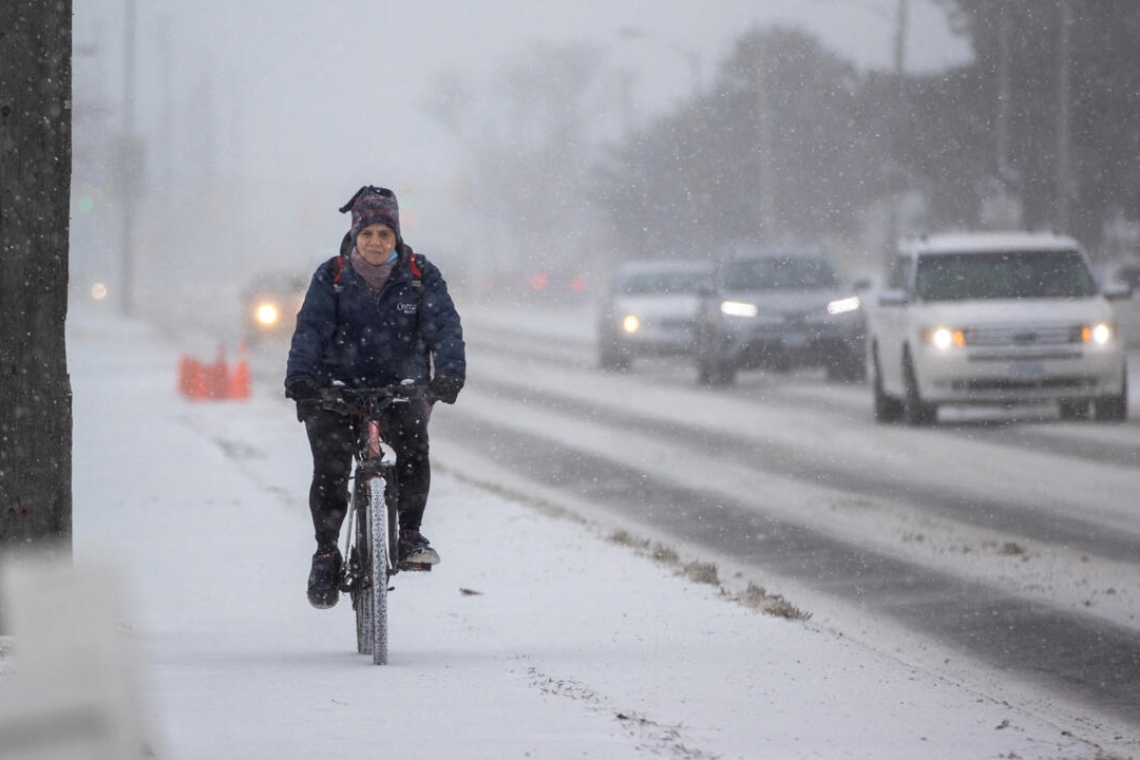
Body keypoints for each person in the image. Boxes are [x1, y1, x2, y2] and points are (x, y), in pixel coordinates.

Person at [285, 185, 465, 609]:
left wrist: (450, 373)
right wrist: (302, 380)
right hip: (337, 390)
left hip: (401, 387)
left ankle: (408, 534)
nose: (376, 243)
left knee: (414, 452)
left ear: (396, 237)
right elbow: (309, 330)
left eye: (385, 234)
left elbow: (445, 327)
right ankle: (326, 553)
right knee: (330, 470)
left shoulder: (421, 276)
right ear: (355, 236)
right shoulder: (330, 277)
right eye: (368, 234)